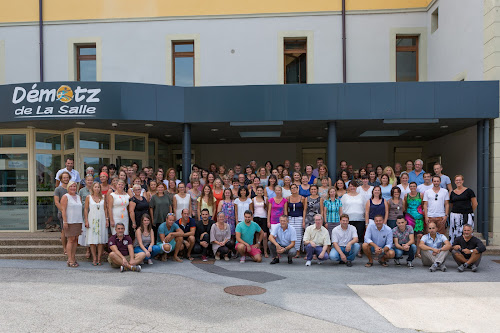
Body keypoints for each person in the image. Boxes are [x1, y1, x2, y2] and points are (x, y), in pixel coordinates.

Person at [60, 181, 83, 267]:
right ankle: (70, 259)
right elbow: (63, 210)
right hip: (70, 221)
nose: (73, 188)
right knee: (71, 239)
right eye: (71, 186)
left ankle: (73, 257)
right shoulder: (65, 197)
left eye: (74, 186)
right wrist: (65, 221)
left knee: (76, 240)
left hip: (78, 221)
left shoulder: (78, 197)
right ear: (68, 187)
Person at [84, 182, 108, 266]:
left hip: (101, 219)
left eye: (98, 187)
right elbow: (86, 209)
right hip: (92, 219)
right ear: (92, 188)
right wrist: (86, 220)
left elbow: (105, 209)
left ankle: (99, 258)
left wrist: (107, 219)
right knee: (92, 240)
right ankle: (94, 258)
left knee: (101, 240)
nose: (97, 188)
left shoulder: (104, 197)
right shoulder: (89, 197)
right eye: (95, 187)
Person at [449, 175, 477, 244]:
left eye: (460, 180)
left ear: (462, 181)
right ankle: (456, 246)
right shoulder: (452, 193)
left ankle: (468, 246)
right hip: (455, 215)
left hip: (467, 215)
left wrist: (469, 212)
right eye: (457, 180)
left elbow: (475, 203)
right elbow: (452, 204)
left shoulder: (469, 191)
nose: (458, 181)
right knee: (455, 232)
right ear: (455, 182)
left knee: (467, 231)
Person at [341, 182, 366, 248]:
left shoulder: (361, 196)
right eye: (351, 186)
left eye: (354, 186)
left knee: (359, 234)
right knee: (348, 235)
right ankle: (349, 248)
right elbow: (341, 207)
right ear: (348, 187)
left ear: (356, 187)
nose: (352, 188)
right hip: (348, 219)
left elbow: (364, 207)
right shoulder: (345, 196)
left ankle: (359, 250)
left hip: (360, 219)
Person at [404, 181, 425, 257]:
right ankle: (412, 252)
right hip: (409, 218)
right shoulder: (406, 196)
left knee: (419, 235)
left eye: (414, 186)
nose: (412, 188)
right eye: (411, 186)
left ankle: (418, 252)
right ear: (409, 187)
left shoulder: (421, 195)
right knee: (411, 236)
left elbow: (422, 205)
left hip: (419, 218)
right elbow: (405, 206)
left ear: (416, 187)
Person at [54, 171, 70, 254]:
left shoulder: (71, 188)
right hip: (62, 213)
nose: (66, 179)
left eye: (67, 177)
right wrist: (63, 211)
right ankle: (65, 248)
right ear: (61, 179)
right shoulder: (58, 189)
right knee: (64, 231)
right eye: (64, 177)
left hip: (71, 213)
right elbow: (57, 202)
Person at [250, 186, 268, 256]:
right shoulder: (253, 199)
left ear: (263, 192)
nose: (259, 192)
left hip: (264, 218)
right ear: (256, 191)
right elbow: (251, 211)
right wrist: (252, 220)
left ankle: (265, 251)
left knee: (264, 235)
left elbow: (268, 209)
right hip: (256, 218)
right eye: (258, 190)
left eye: (261, 190)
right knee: (257, 236)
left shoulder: (266, 199)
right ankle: (258, 251)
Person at [287, 184, 305, 254]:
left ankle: (297, 251)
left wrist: (303, 220)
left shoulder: (302, 198)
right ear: (290, 190)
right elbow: (286, 210)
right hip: (290, 218)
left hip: (299, 218)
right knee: (291, 234)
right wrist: (287, 219)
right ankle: (291, 250)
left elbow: (304, 210)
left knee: (299, 234)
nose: (294, 189)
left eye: (295, 188)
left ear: (298, 189)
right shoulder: (287, 198)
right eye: (292, 188)